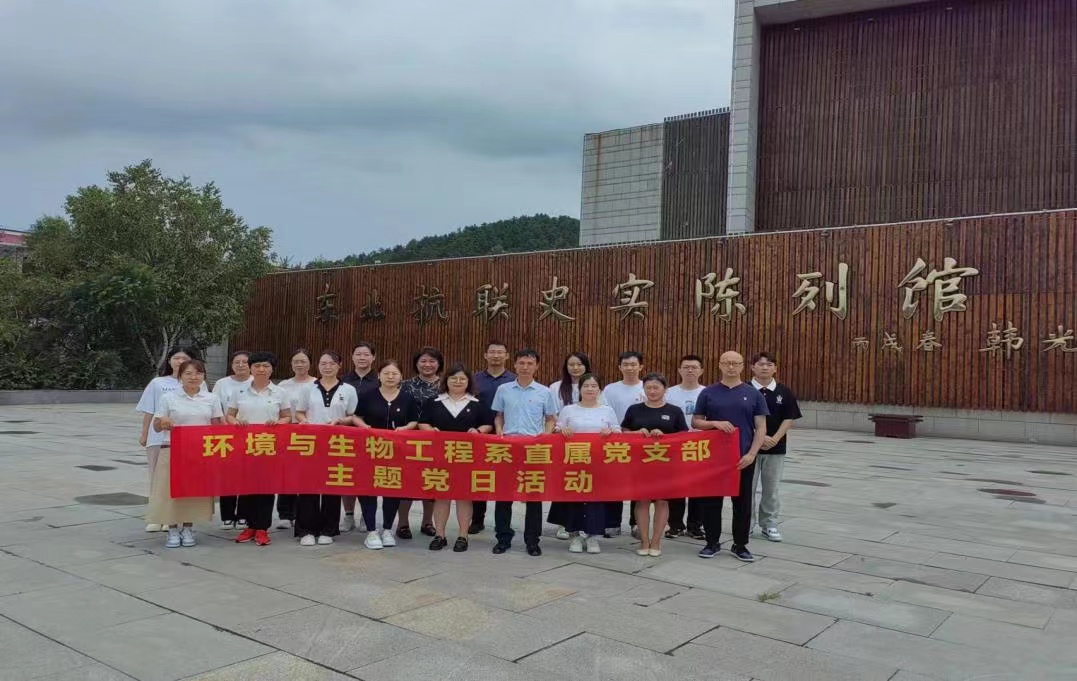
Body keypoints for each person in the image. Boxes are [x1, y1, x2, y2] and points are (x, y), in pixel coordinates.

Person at [692, 351, 769, 562]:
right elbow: (696, 421)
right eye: (727, 363)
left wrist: (752, 454)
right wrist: (714, 423)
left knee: (742, 503)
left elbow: (761, 427)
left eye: (735, 363)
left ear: (743, 366)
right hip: (714, 458)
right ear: (720, 365)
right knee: (711, 501)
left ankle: (740, 544)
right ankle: (712, 542)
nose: (731, 367)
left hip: (742, 458)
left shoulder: (753, 394)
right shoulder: (708, 392)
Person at [418, 363, 494, 552]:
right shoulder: (434, 401)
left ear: (468, 382)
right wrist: (430, 431)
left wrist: (478, 431)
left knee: (464, 497)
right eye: (453, 378)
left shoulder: (477, 403)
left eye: (462, 379)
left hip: (467, 457)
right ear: (446, 380)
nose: (458, 382)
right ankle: (440, 535)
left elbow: (488, 424)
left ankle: (462, 536)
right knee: (441, 496)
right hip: (440, 456)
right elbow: (423, 422)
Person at [491, 348, 557, 556]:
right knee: (504, 495)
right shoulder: (503, 389)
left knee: (534, 496)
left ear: (537, 366)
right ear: (515, 365)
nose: (525, 367)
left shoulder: (545, 392)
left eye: (530, 364)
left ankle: (532, 540)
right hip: (508, 449)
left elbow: (551, 419)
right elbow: (499, 415)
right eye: (521, 363)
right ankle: (503, 538)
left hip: (533, 450)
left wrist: (545, 436)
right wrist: (499, 430)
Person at [349, 360, 420, 549]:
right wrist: (365, 427)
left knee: (392, 488)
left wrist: (406, 428)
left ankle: (388, 529)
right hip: (371, 450)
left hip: (396, 452)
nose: (390, 377)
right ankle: (371, 531)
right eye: (386, 373)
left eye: (394, 374)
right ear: (379, 375)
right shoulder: (368, 395)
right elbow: (356, 416)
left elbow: (414, 421)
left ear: (401, 376)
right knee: (368, 488)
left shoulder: (407, 398)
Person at [148, 359, 219, 548]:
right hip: (172, 449)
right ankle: (172, 529)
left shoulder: (211, 399)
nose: (193, 377)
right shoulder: (169, 398)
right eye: (188, 373)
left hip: (199, 452)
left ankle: (188, 528)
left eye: (198, 373)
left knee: (192, 491)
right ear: (180, 376)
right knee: (170, 491)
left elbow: (217, 426)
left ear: (203, 376)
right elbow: (156, 426)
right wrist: (162, 422)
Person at [225, 351, 291, 546]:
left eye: (266, 366)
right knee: (246, 487)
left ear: (272, 369)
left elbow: (287, 416)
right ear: (251, 369)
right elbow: (229, 415)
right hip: (244, 446)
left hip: (268, 446)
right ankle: (249, 526)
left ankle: (262, 528)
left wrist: (278, 422)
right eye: (257, 366)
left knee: (266, 487)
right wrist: (235, 422)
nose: (261, 369)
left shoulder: (280, 392)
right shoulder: (240, 391)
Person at [294, 351, 358, 546]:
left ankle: (328, 529)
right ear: (318, 366)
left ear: (339, 365)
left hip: (337, 443)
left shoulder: (348, 389)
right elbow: (299, 412)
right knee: (308, 486)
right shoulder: (308, 388)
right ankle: (306, 530)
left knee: (332, 486)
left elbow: (353, 416)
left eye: (331, 363)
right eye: (323, 363)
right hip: (311, 443)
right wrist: (304, 421)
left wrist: (340, 421)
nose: (327, 367)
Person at [622, 373, 688, 557]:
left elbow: (683, 437)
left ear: (665, 389)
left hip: (665, 464)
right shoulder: (634, 409)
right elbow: (623, 432)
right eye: (648, 388)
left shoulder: (674, 411)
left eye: (656, 387)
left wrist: (665, 436)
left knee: (662, 501)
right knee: (641, 501)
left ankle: (656, 541)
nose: (652, 391)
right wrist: (636, 433)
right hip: (640, 464)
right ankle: (644, 541)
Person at [135, 346, 200, 532]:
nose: (179, 361)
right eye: (176, 358)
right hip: (159, 438)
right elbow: (149, 409)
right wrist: (144, 433)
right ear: (169, 361)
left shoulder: (198, 383)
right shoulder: (158, 383)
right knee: (157, 478)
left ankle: (173, 517)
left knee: (180, 479)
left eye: (184, 358)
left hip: (187, 439)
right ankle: (157, 517)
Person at [554, 373, 619, 554]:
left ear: (599, 389)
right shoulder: (569, 409)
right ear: (580, 389)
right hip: (574, 462)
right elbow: (557, 430)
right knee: (574, 498)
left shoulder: (607, 410)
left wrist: (610, 432)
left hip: (599, 464)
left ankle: (592, 536)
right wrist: (563, 430)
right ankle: (574, 535)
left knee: (595, 500)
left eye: (594, 386)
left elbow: (618, 432)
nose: (590, 389)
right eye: (586, 386)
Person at [749, 352, 802, 542]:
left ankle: (769, 524)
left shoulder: (784, 391)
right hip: (749, 449)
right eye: (760, 364)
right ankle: (746, 524)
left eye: (769, 364)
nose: (765, 367)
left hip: (776, 448)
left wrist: (775, 438)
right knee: (747, 489)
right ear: (752, 367)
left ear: (775, 368)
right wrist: (759, 438)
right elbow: (739, 418)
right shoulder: (744, 390)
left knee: (771, 489)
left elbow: (789, 418)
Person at [546, 351, 594, 540]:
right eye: (571, 364)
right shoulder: (555, 387)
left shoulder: (593, 385)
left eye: (579, 364)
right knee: (566, 482)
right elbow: (551, 414)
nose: (575, 368)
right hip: (563, 442)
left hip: (589, 445)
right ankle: (563, 524)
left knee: (585, 483)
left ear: (586, 366)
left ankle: (587, 524)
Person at [471, 341, 516, 534]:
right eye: (492, 352)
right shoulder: (475, 379)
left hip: (507, 435)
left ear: (507, 356)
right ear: (485, 355)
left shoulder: (514, 380)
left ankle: (503, 523)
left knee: (505, 481)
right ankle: (477, 520)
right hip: (480, 435)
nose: (496, 355)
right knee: (479, 478)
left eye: (500, 352)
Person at [398, 346, 443, 537]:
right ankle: (402, 524)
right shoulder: (405, 385)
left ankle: (427, 522)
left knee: (431, 481)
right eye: (423, 361)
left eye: (432, 361)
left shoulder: (445, 385)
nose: (427, 365)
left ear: (439, 364)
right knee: (406, 482)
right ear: (416, 364)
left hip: (435, 440)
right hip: (408, 441)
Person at [601, 351, 645, 538]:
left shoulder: (647, 387)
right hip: (615, 442)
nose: (630, 368)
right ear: (619, 367)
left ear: (640, 367)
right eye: (626, 364)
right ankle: (612, 523)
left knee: (638, 483)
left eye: (633, 364)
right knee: (614, 483)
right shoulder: (610, 389)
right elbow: (603, 412)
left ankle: (636, 523)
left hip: (640, 442)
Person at [664, 354, 707, 540]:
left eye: (694, 367)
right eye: (686, 367)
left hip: (701, 446)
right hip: (675, 446)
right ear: (679, 370)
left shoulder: (707, 392)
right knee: (676, 487)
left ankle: (695, 526)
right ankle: (675, 525)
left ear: (701, 371)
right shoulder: (669, 393)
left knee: (699, 488)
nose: (690, 370)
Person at [274, 348, 316, 530]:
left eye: (303, 361)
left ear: (310, 363)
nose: (299, 365)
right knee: (287, 474)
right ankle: (285, 514)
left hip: (310, 433)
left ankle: (302, 513)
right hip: (288, 432)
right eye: (296, 361)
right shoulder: (283, 385)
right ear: (291, 364)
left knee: (306, 474)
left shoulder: (316, 384)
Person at [340, 342, 380, 532]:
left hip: (371, 435)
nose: (362, 358)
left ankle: (367, 515)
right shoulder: (343, 380)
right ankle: (348, 514)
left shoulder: (379, 380)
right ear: (352, 357)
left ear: (373, 357)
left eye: (366, 354)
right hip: (346, 435)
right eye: (358, 354)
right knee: (347, 475)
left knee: (369, 476)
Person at [212, 351, 253, 531]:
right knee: (227, 476)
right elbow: (214, 407)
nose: (241, 365)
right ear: (231, 364)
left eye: (245, 362)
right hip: (226, 436)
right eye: (237, 362)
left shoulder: (256, 382)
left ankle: (244, 514)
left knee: (247, 476)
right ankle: (227, 516)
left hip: (251, 436)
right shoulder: (222, 384)